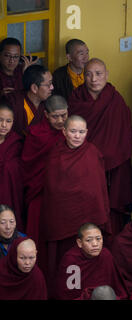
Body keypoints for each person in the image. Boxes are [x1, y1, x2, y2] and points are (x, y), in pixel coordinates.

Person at [40, 115, 110, 294]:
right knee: (67, 261)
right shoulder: (55, 155)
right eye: (73, 131)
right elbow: (53, 190)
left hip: (89, 218)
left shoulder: (93, 152)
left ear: (87, 132)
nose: (77, 136)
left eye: (81, 132)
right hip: (64, 221)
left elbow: (99, 188)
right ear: (64, 132)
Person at [68, 58, 132, 236]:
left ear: (107, 75)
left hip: (114, 168)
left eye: (98, 74)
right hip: (85, 166)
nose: (94, 79)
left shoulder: (115, 99)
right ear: (83, 77)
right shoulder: (76, 99)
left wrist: (113, 155)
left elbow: (126, 133)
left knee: (112, 209)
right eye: (88, 74)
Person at [21, 95, 67, 245]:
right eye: (55, 117)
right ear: (46, 115)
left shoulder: (71, 132)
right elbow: (28, 166)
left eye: (64, 115)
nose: (60, 121)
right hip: (39, 193)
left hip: (63, 194)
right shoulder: (36, 134)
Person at [55, 223, 127, 300]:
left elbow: (115, 285)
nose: (95, 244)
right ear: (79, 243)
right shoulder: (71, 259)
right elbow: (68, 294)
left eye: (98, 239)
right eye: (89, 240)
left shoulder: (106, 255)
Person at [5, 64, 53, 136]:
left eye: (52, 83)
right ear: (34, 88)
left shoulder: (49, 104)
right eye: (48, 84)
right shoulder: (12, 102)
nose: (52, 87)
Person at [0, 103, 24, 229]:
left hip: (10, 192)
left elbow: (21, 169)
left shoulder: (16, 142)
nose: (4, 125)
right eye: (0, 120)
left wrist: (9, 167)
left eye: (8, 121)